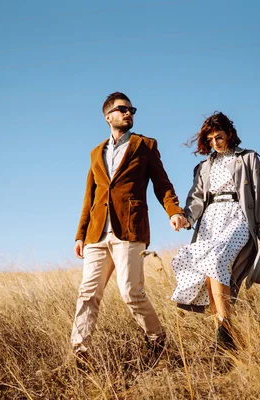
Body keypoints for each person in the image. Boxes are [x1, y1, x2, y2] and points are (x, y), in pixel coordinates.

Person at [71, 92, 188, 359]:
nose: (129, 113)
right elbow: (90, 196)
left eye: (131, 109)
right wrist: (80, 234)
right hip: (96, 234)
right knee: (87, 293)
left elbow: (162, 183)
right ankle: (79, 352)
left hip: (130, 228)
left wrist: (174, 211)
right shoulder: (95, 152)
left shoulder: (144, 145)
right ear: (107, 116)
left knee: (131, 292)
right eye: (122, 109)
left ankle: (156, 339)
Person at [171, 111, 260, 350]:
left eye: (219, 137)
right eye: (210, 139)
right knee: (207, 268)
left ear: (229, 135)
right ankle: (224, 335)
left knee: (216, 260)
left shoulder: (248, 158)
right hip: (210, 219)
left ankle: (224, 326)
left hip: (237, 215)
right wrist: (186, 218)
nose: (215, 143)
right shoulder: (204, 166)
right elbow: (196, 198)